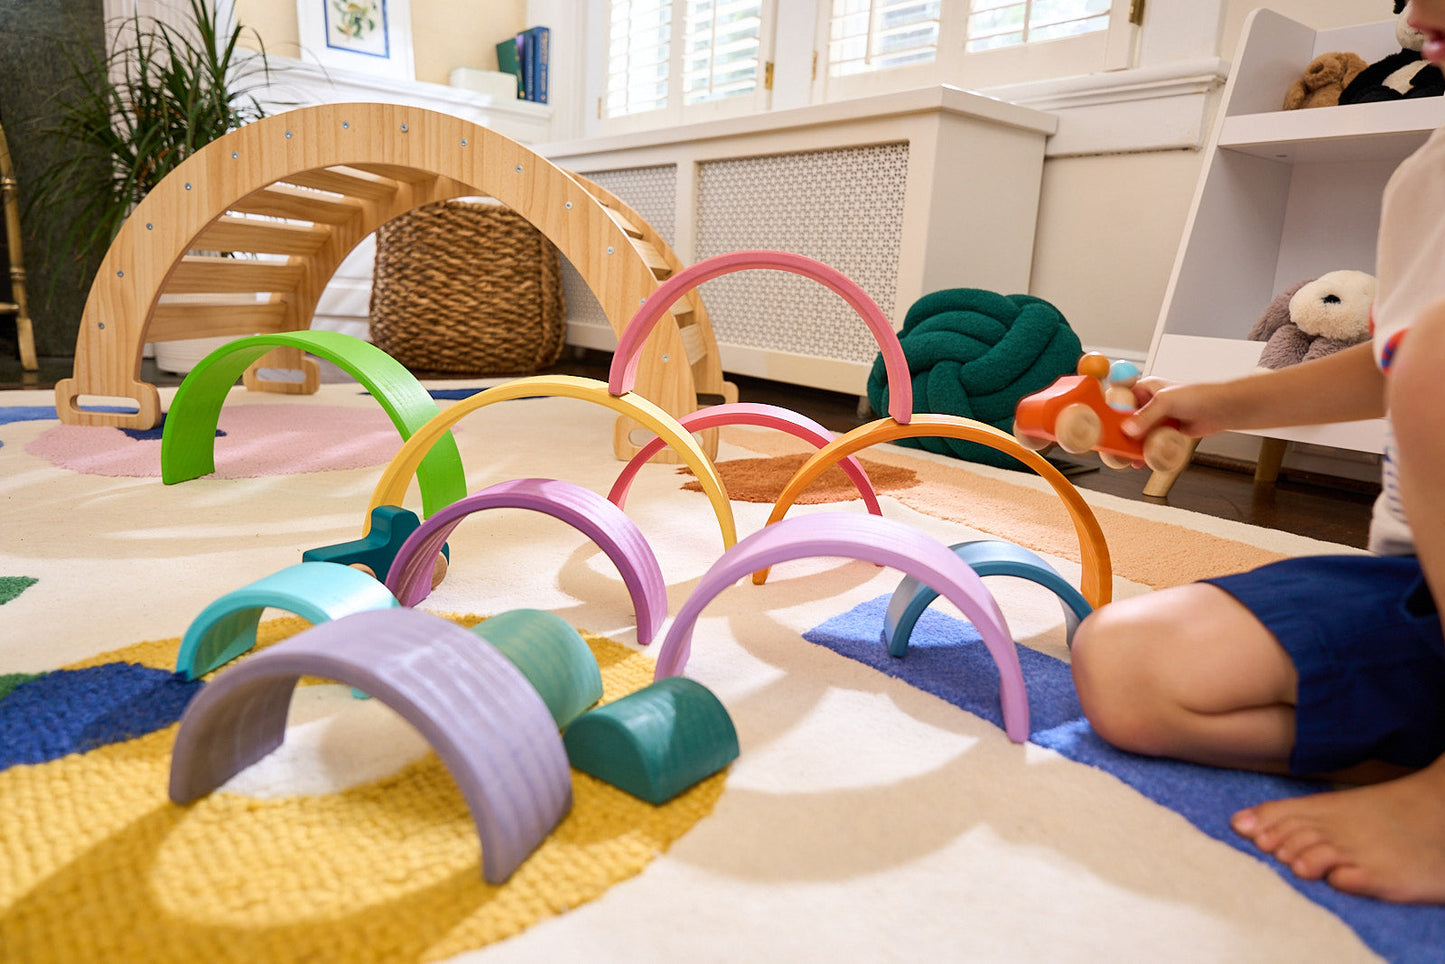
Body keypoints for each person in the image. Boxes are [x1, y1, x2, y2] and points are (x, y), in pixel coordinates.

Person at [1068, 0, 1445, 905]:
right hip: (1416, 589)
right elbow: (1393, 366)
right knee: (1124, 666)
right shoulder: (1422, 181)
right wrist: (1216, 405)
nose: (1414, 11)